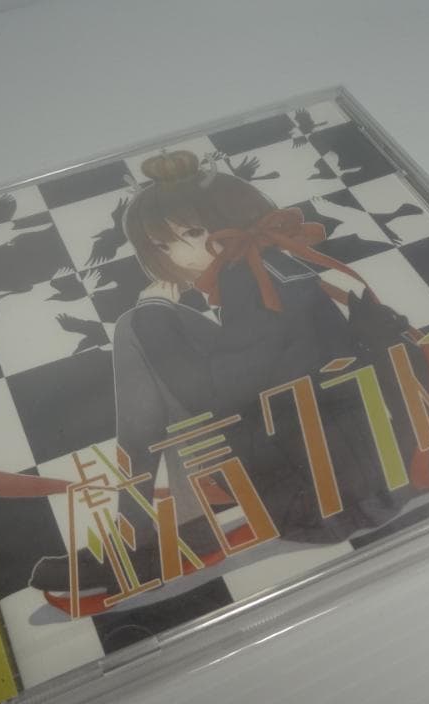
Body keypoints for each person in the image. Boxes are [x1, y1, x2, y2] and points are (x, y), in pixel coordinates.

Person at [30, 151, 404, 601]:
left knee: (138, 328)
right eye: (163, 246)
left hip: (318, 498)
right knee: (143, 331)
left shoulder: (253, 284)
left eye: (191, 233)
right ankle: (159, 533)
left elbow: (215, 395)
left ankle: (143, 539)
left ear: (234, 218)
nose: (177, 254)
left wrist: (155, 315)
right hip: (337, 468)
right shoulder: (270, 266)